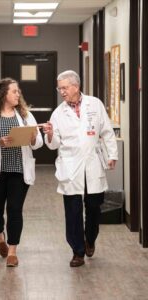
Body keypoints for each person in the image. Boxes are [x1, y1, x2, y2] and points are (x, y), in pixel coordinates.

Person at [43, 70, 118, 267]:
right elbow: (53, 144)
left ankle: (90, 239)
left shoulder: (95, 104)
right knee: (73, 211)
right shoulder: (58, 113)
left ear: (76, 86)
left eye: (64, 87)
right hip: (70, 167)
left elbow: (107, 131)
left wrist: (112, 154)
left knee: (94, 207)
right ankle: (77, 251)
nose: (62, 91)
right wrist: (50, 135)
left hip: (93, 164)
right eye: (59, 88)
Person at [0, 78, 43, 267]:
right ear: (3, 93)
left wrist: (32, 138)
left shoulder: (25, 114)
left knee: (15, 210)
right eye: (14, 91)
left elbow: (38, 143)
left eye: (18, 91)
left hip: (19, 171)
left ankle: (12, 250)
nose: (18, 94)